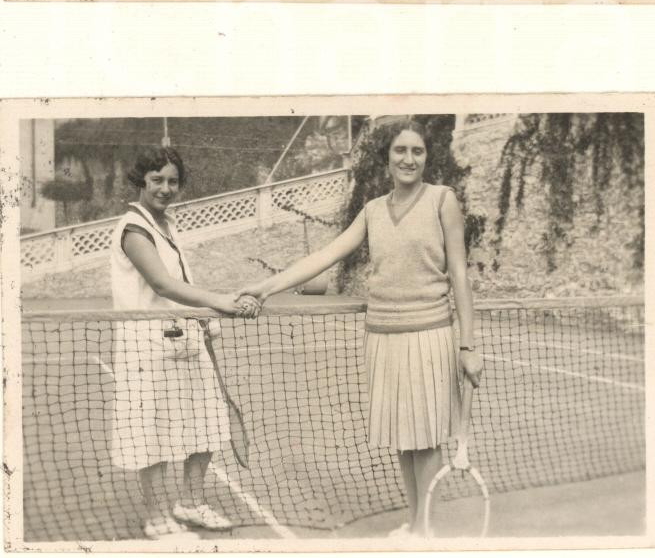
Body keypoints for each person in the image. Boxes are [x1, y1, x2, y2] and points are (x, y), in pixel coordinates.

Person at [236, 118, 482, 537]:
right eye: (400, 151)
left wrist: (467, 345)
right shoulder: (371, 211)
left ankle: (425, 533)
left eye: (417, 151)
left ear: (426, 157)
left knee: (425, 438)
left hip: (429, 333)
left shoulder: (443, 200)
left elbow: (459, 274)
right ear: (386, 159)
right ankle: (415, 521)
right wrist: (265, 287)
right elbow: (325, 255)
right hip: (383, 336)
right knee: (405, 437)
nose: (408, 159)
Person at [109, 146, 258, 540]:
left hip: (185, 340)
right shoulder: (133, 227)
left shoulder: (168, 224)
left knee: (207, 423)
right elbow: (160, 283)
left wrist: (203, 320)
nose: (165, 188)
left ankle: (190, 504)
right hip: (146, 349)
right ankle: (157, 517)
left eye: (173, 180)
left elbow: (179, 284)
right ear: (141, 180)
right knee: (150, 432)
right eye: (157, 179)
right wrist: (218, 302)